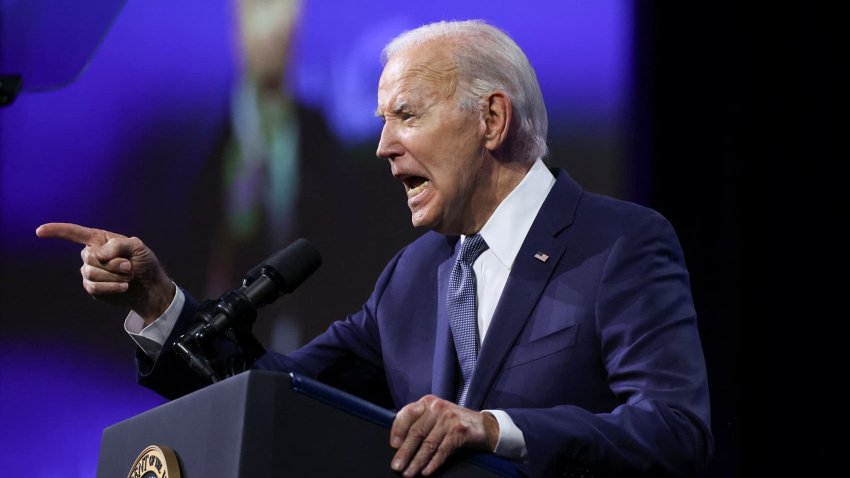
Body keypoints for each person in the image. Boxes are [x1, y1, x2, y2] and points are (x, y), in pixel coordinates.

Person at [37, 20, 712, 477]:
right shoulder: (414, 276)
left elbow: (675, 430)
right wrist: (161, 305)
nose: (385, 146)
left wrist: (495, 428)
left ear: (492, 119)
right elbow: (273, 396)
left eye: (407, 116)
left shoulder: (619, 243)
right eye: (382, 121)